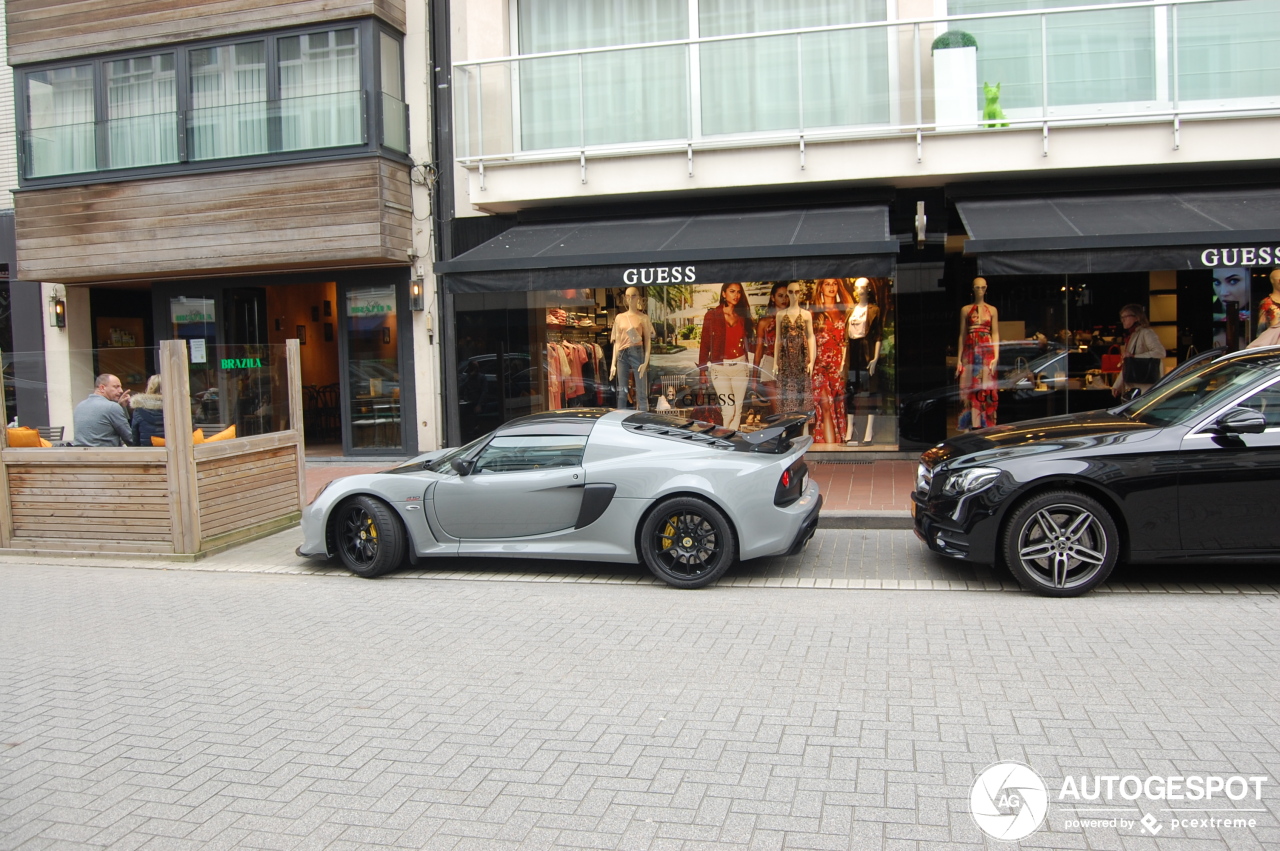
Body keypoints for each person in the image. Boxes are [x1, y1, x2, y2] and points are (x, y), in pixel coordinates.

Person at [698, 282, 754, 430]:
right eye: (732, 291)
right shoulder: (712, 315)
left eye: (738, 292)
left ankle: (732, 443)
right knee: (728, 411)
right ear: (724, 294)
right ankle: (724, 441)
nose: (736, 295)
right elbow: (704, 344)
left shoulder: (742, 316)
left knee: (737, 411)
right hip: (720, 369)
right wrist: (702, 371)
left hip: (741, 367)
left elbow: (751, 341)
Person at [809, 278, 851, 444]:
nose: (831, 287)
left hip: (838, 365)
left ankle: (837, 442)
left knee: (838, 407)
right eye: (827, 284)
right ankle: (830, 447)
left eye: (834, 284)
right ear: (821, 288)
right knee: (825, 406)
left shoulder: (844, 311)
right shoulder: (814, 313)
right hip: (819, 365)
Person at [956, 277, 1000, 431]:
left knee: (986, 386)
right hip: (970, 348)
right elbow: (962, 334)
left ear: (986, 288)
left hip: (987, 350)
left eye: (983, 287)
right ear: (973, 289)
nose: (980, 290)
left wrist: (996, 356)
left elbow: (995, 333)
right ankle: (971, 423)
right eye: (977, 287)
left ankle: (987, 424)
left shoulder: (992, 310)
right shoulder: (966, 310)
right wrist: (959, 359)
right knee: (969, 386)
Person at [844, 278, 882, 446]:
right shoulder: (850, 310)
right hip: (853, 350)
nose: (860, 290)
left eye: (863, 287)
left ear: (868, 289)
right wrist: (842, 363)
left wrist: (875, 358)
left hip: (867, 350)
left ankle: (869, 430)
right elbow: (846, 339)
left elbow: (879, 336)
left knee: (869, 389)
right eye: (857, 287)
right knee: (851, 390)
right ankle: (850, 429)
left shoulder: (874, 310)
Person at [774, 281, 815, 420]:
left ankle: (803, 431)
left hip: (801, 358)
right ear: (787, 293)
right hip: (785, 358)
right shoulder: (780, 314)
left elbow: (811, 337)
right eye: (791, 292)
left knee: (802, 393)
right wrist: (775, 363)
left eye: (797, 292)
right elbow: (778, 339)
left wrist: (812, 361)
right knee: (785, 394)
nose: (794, 295)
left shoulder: (806, 314)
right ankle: (785, 429)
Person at [610, 286, 654, 411]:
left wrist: (645, 361)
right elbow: (617, 342)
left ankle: (643, 420)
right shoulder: (619, 317)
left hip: (637, 351)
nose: (630, 298)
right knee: (622, 391)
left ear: (638, 297)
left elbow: (647, 340)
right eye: (627, 296)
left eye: (633, 295)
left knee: (641, 391)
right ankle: (620, 421)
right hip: (622, 354)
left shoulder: (643, 318)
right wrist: (613, 364)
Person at [752, 282, 789, 415]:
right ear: (773, 298)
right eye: (780, 296)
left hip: (789, 366)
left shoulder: (794, 320)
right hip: (770, 365)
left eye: (787, 295)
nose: (784, 299)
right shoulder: (764, 322)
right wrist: (754, 378)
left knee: (789, 410)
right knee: (777, 410)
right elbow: (758, 350)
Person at [1112, 304, 1164, 398]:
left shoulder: (1146, 333)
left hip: (1145, 387)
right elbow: (1127, 363)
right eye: (1122, 317)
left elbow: (1160, 352)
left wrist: (1134, 357)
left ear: (1136, 317)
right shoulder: (1132, 335)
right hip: (1135, 387)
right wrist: (1117, 384)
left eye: (1126, 317)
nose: (1123, 320)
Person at [72, 374, 133, 446]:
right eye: (116, 387)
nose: (121, 391)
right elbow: (130, 439)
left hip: (80, 455)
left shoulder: (80, 406)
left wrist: (120, 406)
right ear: (102, 388)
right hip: (105, 455)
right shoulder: (112, 407)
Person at [130, 374, 164, 446]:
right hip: (175, 453)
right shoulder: (177, 408)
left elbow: (135, 436)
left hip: (148, 452)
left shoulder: (139, 410)